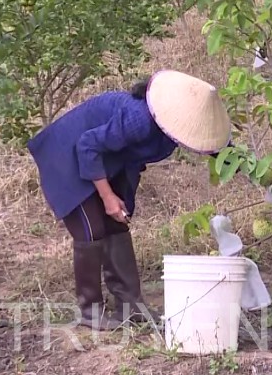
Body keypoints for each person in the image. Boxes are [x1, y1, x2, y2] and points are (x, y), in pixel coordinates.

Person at [26, 70, 232, 330]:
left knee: (118, 224)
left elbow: (227, 154)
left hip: (107, 159)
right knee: (91, 229)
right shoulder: (140, 119)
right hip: (68, 152)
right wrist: (108, 196)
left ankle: (130, 306)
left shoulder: (175, 126)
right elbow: (87, 146)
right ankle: (90, 311)